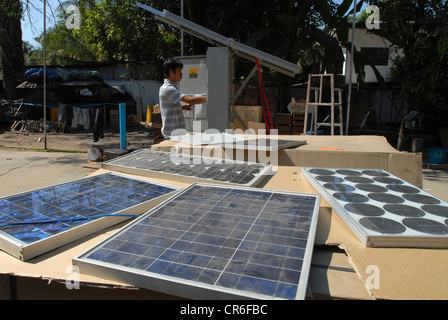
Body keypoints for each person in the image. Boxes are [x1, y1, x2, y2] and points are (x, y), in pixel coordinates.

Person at [159, 58, 207, 139]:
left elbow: (170, 109)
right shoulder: (168, 88)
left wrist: (183, 108)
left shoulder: (172, 87)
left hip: (176, 133)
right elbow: (190, 100)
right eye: (178, 71)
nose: (181, 74)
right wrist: (211, 97)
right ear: (171, 72)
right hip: (172, 135)